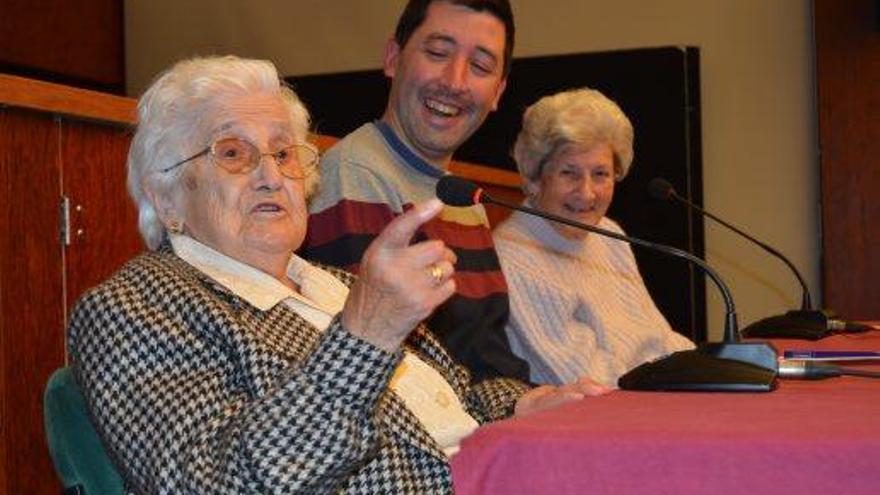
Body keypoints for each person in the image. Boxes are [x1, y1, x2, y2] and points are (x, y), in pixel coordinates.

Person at [67, 55, 604, 494]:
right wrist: (365, 335)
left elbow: (454, 404)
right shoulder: (133, 306)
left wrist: (521, 405)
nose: (270, 176)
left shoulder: (338, 288)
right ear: (165, 196)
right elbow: (216, 484)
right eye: (233, 153)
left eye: (283, 152)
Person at [302, 0, 529, 383]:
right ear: (393, 58)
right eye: (438, 53)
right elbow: (367, 359)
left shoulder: (459, 194)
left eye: (480, 67)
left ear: (498, 93)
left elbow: (481, 351)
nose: (455, 82)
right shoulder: (356, 174)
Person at [493, 88, 695, 388]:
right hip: (598, 419)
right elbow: (583, 379)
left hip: (650, 394)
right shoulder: (513, 257)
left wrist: (706, 368)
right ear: (535, 177)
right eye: (569, 173)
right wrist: (672, 382)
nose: (587, 193)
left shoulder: (609, 234)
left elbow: (658, 337)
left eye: (600, 174)